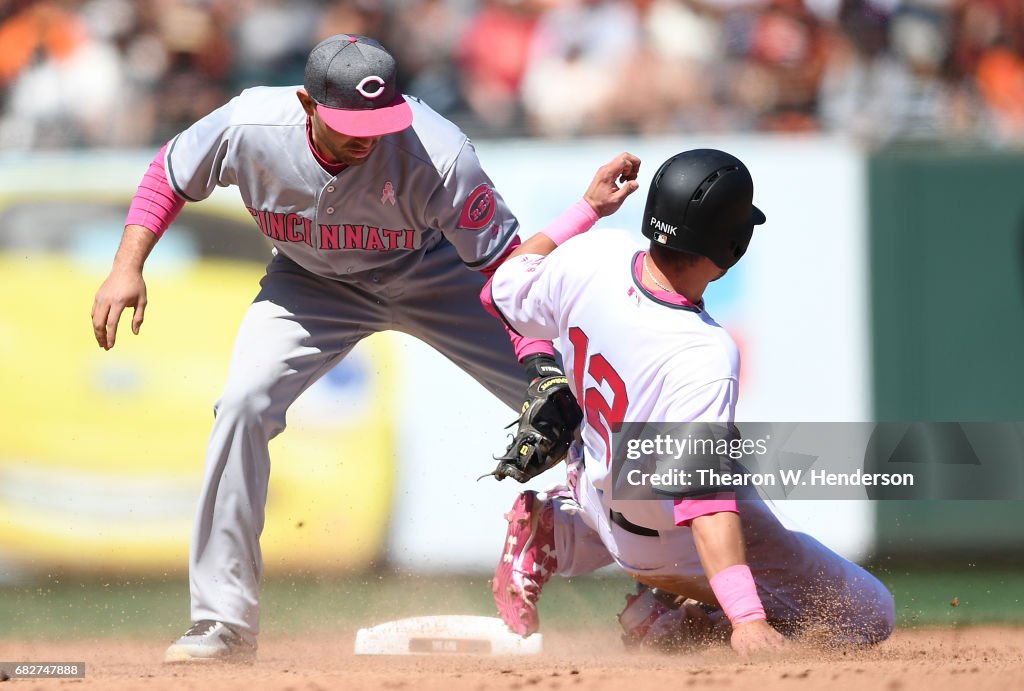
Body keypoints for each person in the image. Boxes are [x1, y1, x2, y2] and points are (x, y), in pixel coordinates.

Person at [90, 34, 576, 663]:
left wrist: (540, 366)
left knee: (578, 405)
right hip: (309, 284)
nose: (367, 135)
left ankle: (685, 578)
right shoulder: (252, 122)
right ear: (306, 102)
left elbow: (508, 271)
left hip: (433, 273)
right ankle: (223, 624)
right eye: (350, 121)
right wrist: (127, 265)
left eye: (380, 119)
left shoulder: (439, 152)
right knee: (241, 405)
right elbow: (171, 172)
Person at [484, 149, 896, 655]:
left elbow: (500, 290)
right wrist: (747, 619)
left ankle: (559, 533)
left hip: (592, 481)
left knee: (694, 459)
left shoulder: (593, 254)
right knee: (866, 614)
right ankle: (669, 610)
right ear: (732, 246)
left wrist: (586, 208)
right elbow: (702, 499)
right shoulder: (703, 353)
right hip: (657, 541)